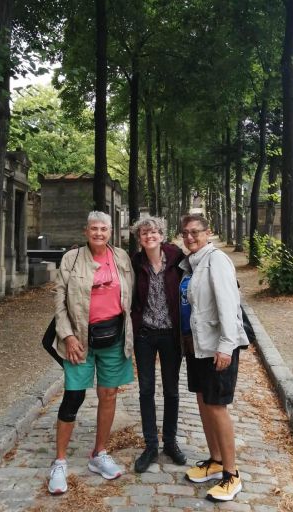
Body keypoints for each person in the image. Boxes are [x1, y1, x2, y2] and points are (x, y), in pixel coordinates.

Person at [48, 211, 134, 494]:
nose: (99, 233)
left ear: (111, 232)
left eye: (104, 229)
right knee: (73, 395)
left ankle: (99, 453)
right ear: (86, 231)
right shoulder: (71, 259)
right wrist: (68, 336)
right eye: (94, 229)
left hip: (114, 337)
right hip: (80, 340)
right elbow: (59, 302)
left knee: (108, 394)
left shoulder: (121, 257)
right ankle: (60, 461)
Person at [178, 214, 249, 503]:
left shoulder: (216, 260)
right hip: (197, 346)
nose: (190, 237)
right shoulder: (191, 264)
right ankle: (216, 459)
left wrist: (226, 346)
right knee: (203, 401)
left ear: (208, 233)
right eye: (185, 233)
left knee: (217, 406)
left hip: (217, 346)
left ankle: (232, 475)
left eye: (195, 232)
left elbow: (229, 305)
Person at [130, 217, 187, 473]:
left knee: (172, 390)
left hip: (170, 335)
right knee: (146, 390)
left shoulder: (177, 259)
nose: (149, 236)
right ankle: (151, 445)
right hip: (145, 334)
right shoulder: (135, 262)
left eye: (153, 232)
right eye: (144, 233)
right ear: (139, 237)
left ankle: (170, 442)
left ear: (161, 235)